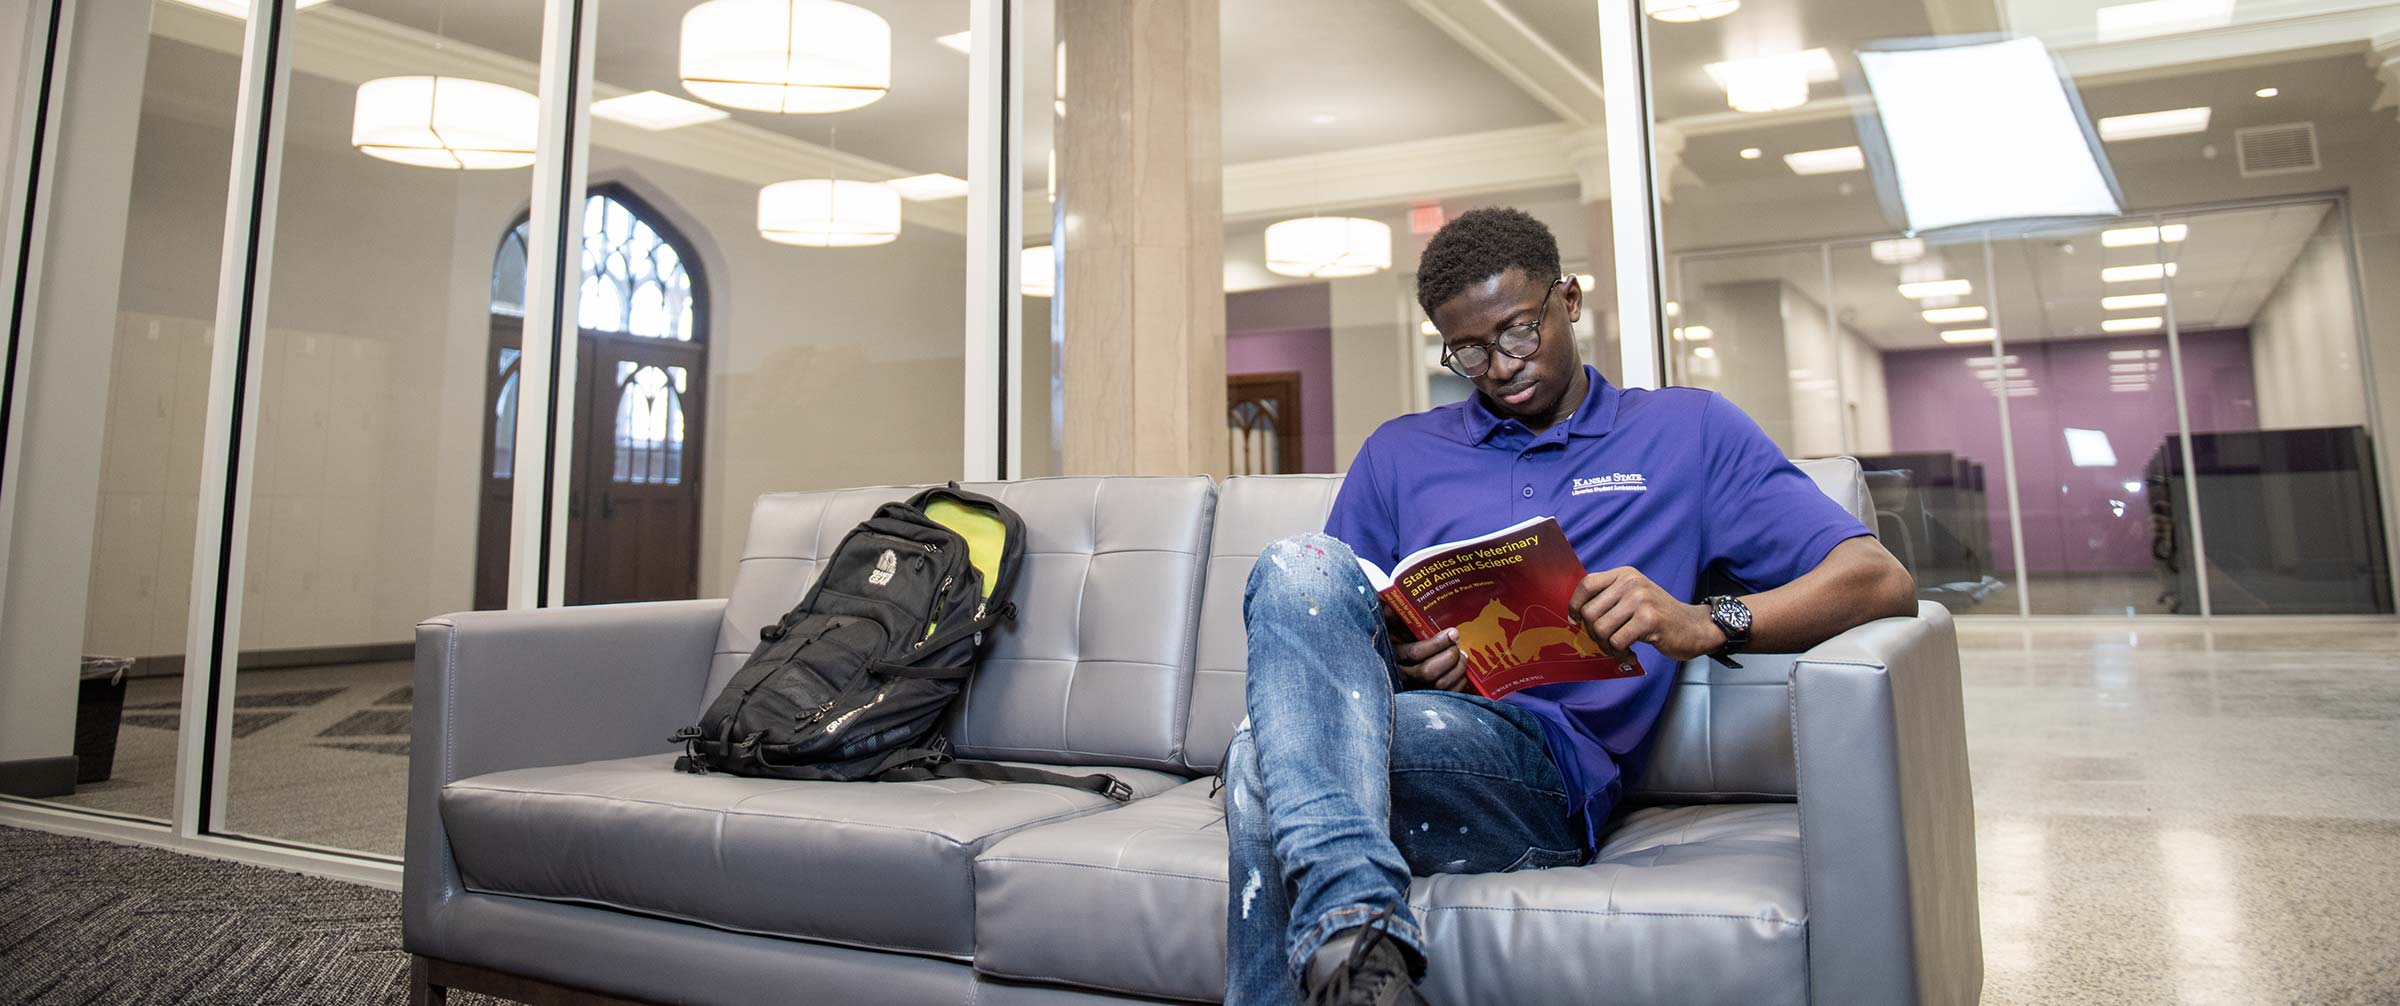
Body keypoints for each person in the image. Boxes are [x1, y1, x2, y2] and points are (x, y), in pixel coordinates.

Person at [1220, 207, 1918, 1006]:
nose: (1500, 365)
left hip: (1547, 775)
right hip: (1413, 731)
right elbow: (1338, 634)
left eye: (1518, 332)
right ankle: (1359, 947)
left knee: (1260, 761)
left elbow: (1878, 577)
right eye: (1469, 351)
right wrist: (1409, 661)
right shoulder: (1398, 452)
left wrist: (1704, 621)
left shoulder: (1686, 432)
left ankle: (1348, 938)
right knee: (1297, 562)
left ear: (1570, 300)